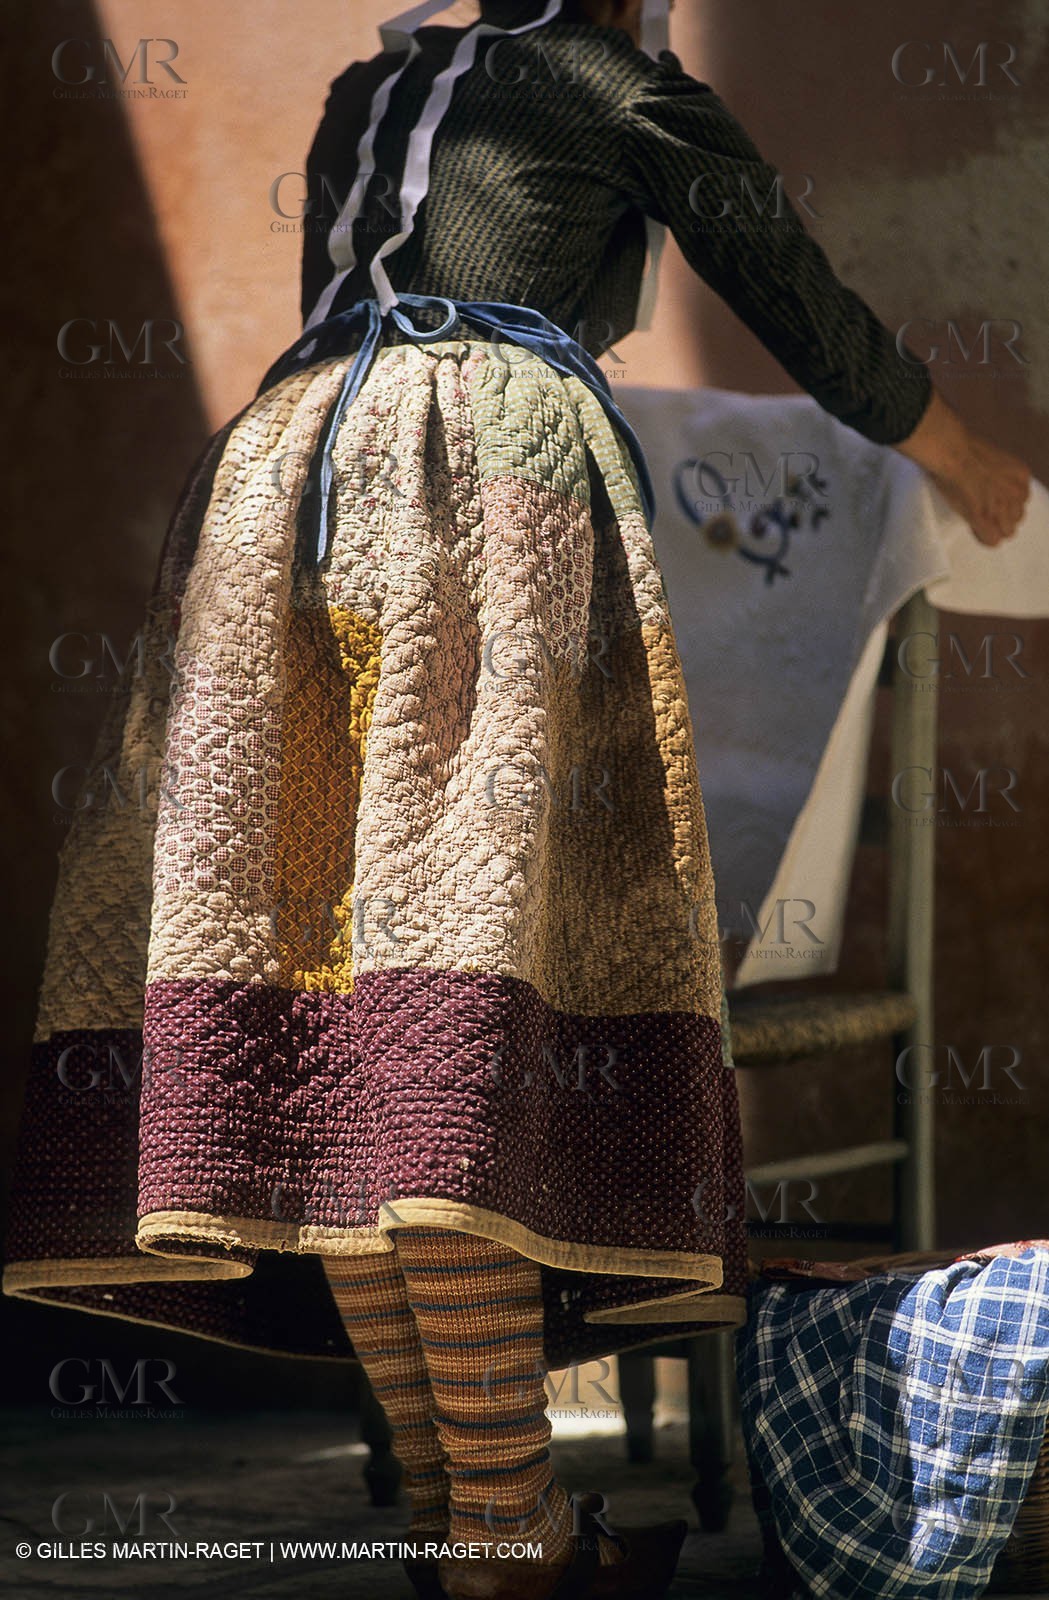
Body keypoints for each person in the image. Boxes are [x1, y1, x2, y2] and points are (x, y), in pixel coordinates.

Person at [3, 3, 1031, 1600]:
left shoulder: (368, 84)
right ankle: (503, 1532)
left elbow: (368, 301)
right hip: (476, 471)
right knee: (458, 1009)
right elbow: (805, 312)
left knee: (341, 1015)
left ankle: (470, 1522)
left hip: (276, 472)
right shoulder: (621, 80)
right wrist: (965, 459)